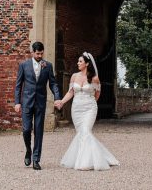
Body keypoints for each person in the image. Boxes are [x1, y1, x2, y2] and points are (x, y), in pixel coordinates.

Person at [54, 51, 120, 171]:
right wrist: (62, 102)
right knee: (81, 133)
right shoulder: (74, 76)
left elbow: (97, 94)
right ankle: (92, 158)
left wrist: (90, 102)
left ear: (87, 64)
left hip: (89, 109)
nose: (78, 63)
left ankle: (84, 163)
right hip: (76, 109)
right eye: (78, 61)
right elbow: (70, 92)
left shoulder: (94, 78)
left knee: (85, 131)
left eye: (80, 61)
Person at [14, 41, 62, 170]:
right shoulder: (23, 65)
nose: (40, 56)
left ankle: (36, 159)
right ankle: (28, 150)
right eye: (37, 53)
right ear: (32, 52)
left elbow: (53, 83)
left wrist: (57, 97)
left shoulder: (48, 66)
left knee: (39, 131)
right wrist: (17, 102)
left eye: (41, 53)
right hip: (27, 102)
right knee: (26, 129)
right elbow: (18, 85)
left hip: (40, 102)